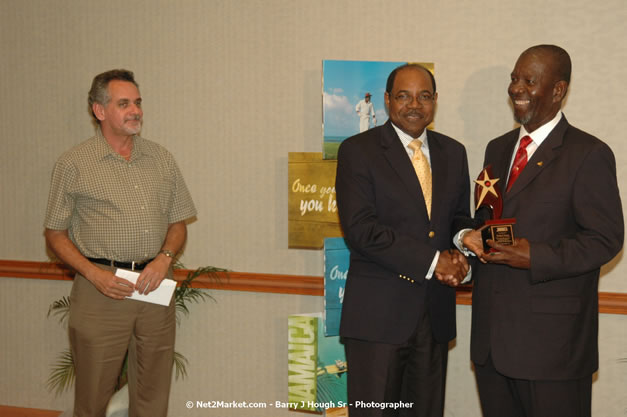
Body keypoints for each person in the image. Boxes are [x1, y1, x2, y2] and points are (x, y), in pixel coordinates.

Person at [460, 45, 624, 417]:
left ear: (558, 90)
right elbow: (488, 220)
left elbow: (606, 238)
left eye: (529, 80)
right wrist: (468, 240)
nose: (516, 88)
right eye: (514, 78)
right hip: (490, 343)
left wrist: (535, 255)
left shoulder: (588, 153)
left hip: (553, 349)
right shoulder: (497, 148)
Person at [44, 69, 197, 417]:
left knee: (153, 392)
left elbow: (178, 223)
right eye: (124, 103)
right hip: (102, 290)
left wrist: (164, 259)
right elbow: (54, 234)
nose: (136, 111)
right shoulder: (74, 163)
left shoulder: (161, 158)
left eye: (138, 103)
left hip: (155, 286)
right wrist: (93, 275)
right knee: (93, 395)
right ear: (100, 111)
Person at [336, 63, 471, 417]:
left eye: (424, 96)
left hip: (434, 314)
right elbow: (361, 230)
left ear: (435, 101)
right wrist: (434, 261)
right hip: (378, 319)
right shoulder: (358, 151)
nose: (415, 105)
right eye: (404, 96)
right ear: (386, 100)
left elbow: (458, 218)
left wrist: (463, 251)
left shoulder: (453, 153)